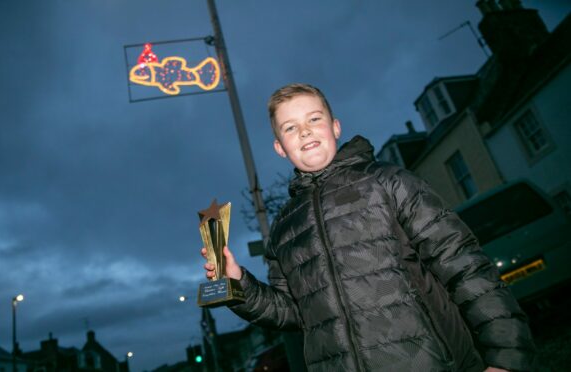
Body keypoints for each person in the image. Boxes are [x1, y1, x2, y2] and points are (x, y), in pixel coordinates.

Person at [201, 83, 535, 371]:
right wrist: (237, 286)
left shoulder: (389, 183)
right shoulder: (284, 229)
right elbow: (293, 313)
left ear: (335, 127)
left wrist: (507, 355)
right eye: (289, 128)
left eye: (314, 119)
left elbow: (465, 267)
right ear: (279, 148)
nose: (304, 131)